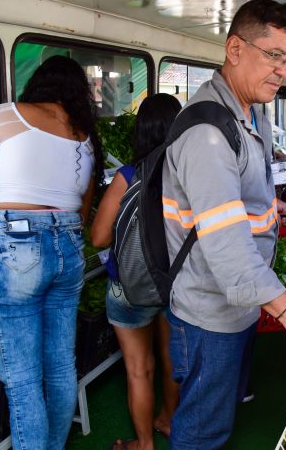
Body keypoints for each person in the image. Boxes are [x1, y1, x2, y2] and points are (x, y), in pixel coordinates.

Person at [161, 0, 286, 449]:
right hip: (210, 308)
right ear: (235, 49)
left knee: (220, 410)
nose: (283, 70)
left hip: (240, 301)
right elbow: (230, 256)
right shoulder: (208, 134)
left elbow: (243, 185)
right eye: (273, 55)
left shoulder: (251, 109)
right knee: (202, 426)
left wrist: (272, 206)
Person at [0, 55, 103, 450]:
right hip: (68, 244)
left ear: (38, 84)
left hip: (17, 240)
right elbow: (82, 211)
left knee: (22, 378)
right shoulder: (84, 137)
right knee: (61, 365)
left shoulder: (7, 114)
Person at [90, 94, 182, 450]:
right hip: (175, 284)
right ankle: (169, 421)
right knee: (171, 359)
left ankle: (143, 443)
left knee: (139, 369)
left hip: (128, 286)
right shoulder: (188, 176)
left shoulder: (128, 175)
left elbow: (98, 237)